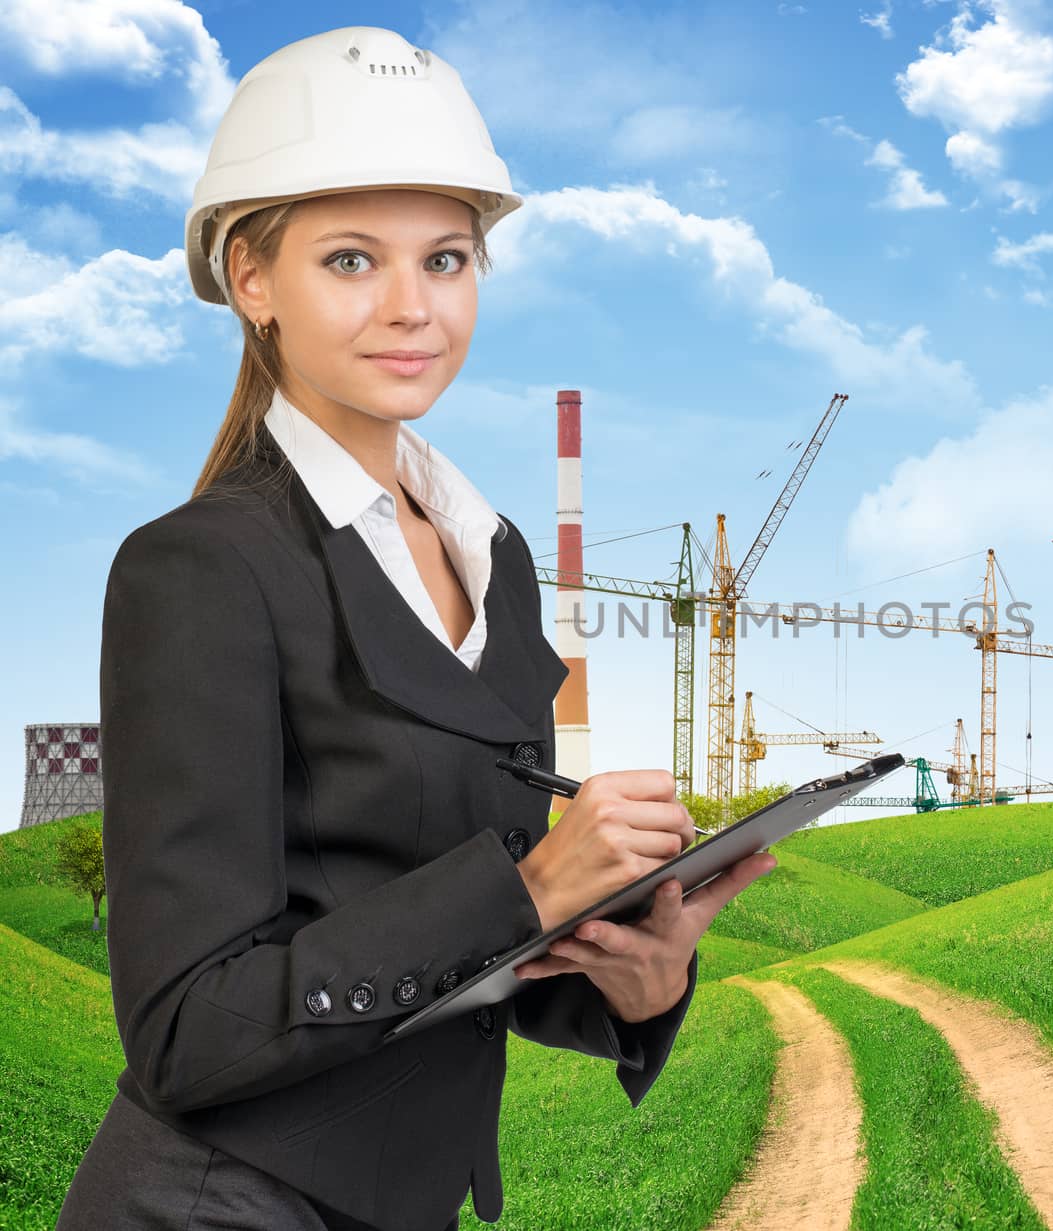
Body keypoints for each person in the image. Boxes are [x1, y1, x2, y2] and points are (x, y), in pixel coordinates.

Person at [56, 25, 775, 1231]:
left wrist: (634, 983)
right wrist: (532, 886)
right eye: (349, 260)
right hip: (216, 1204)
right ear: (250, 279)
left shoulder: (492, 557)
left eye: (445, 259)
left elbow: (436, 936)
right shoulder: (199, 570)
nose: (411, 308)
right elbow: (189, 1029)